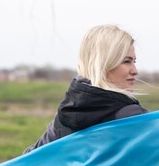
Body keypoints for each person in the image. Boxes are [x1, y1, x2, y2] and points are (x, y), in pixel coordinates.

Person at [23, 24, 147, 154]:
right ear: (103, 64)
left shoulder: (66, 114)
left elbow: (28, 161)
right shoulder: (131, 117)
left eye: (134, 62)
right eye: (126, 61)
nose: (135, 71)